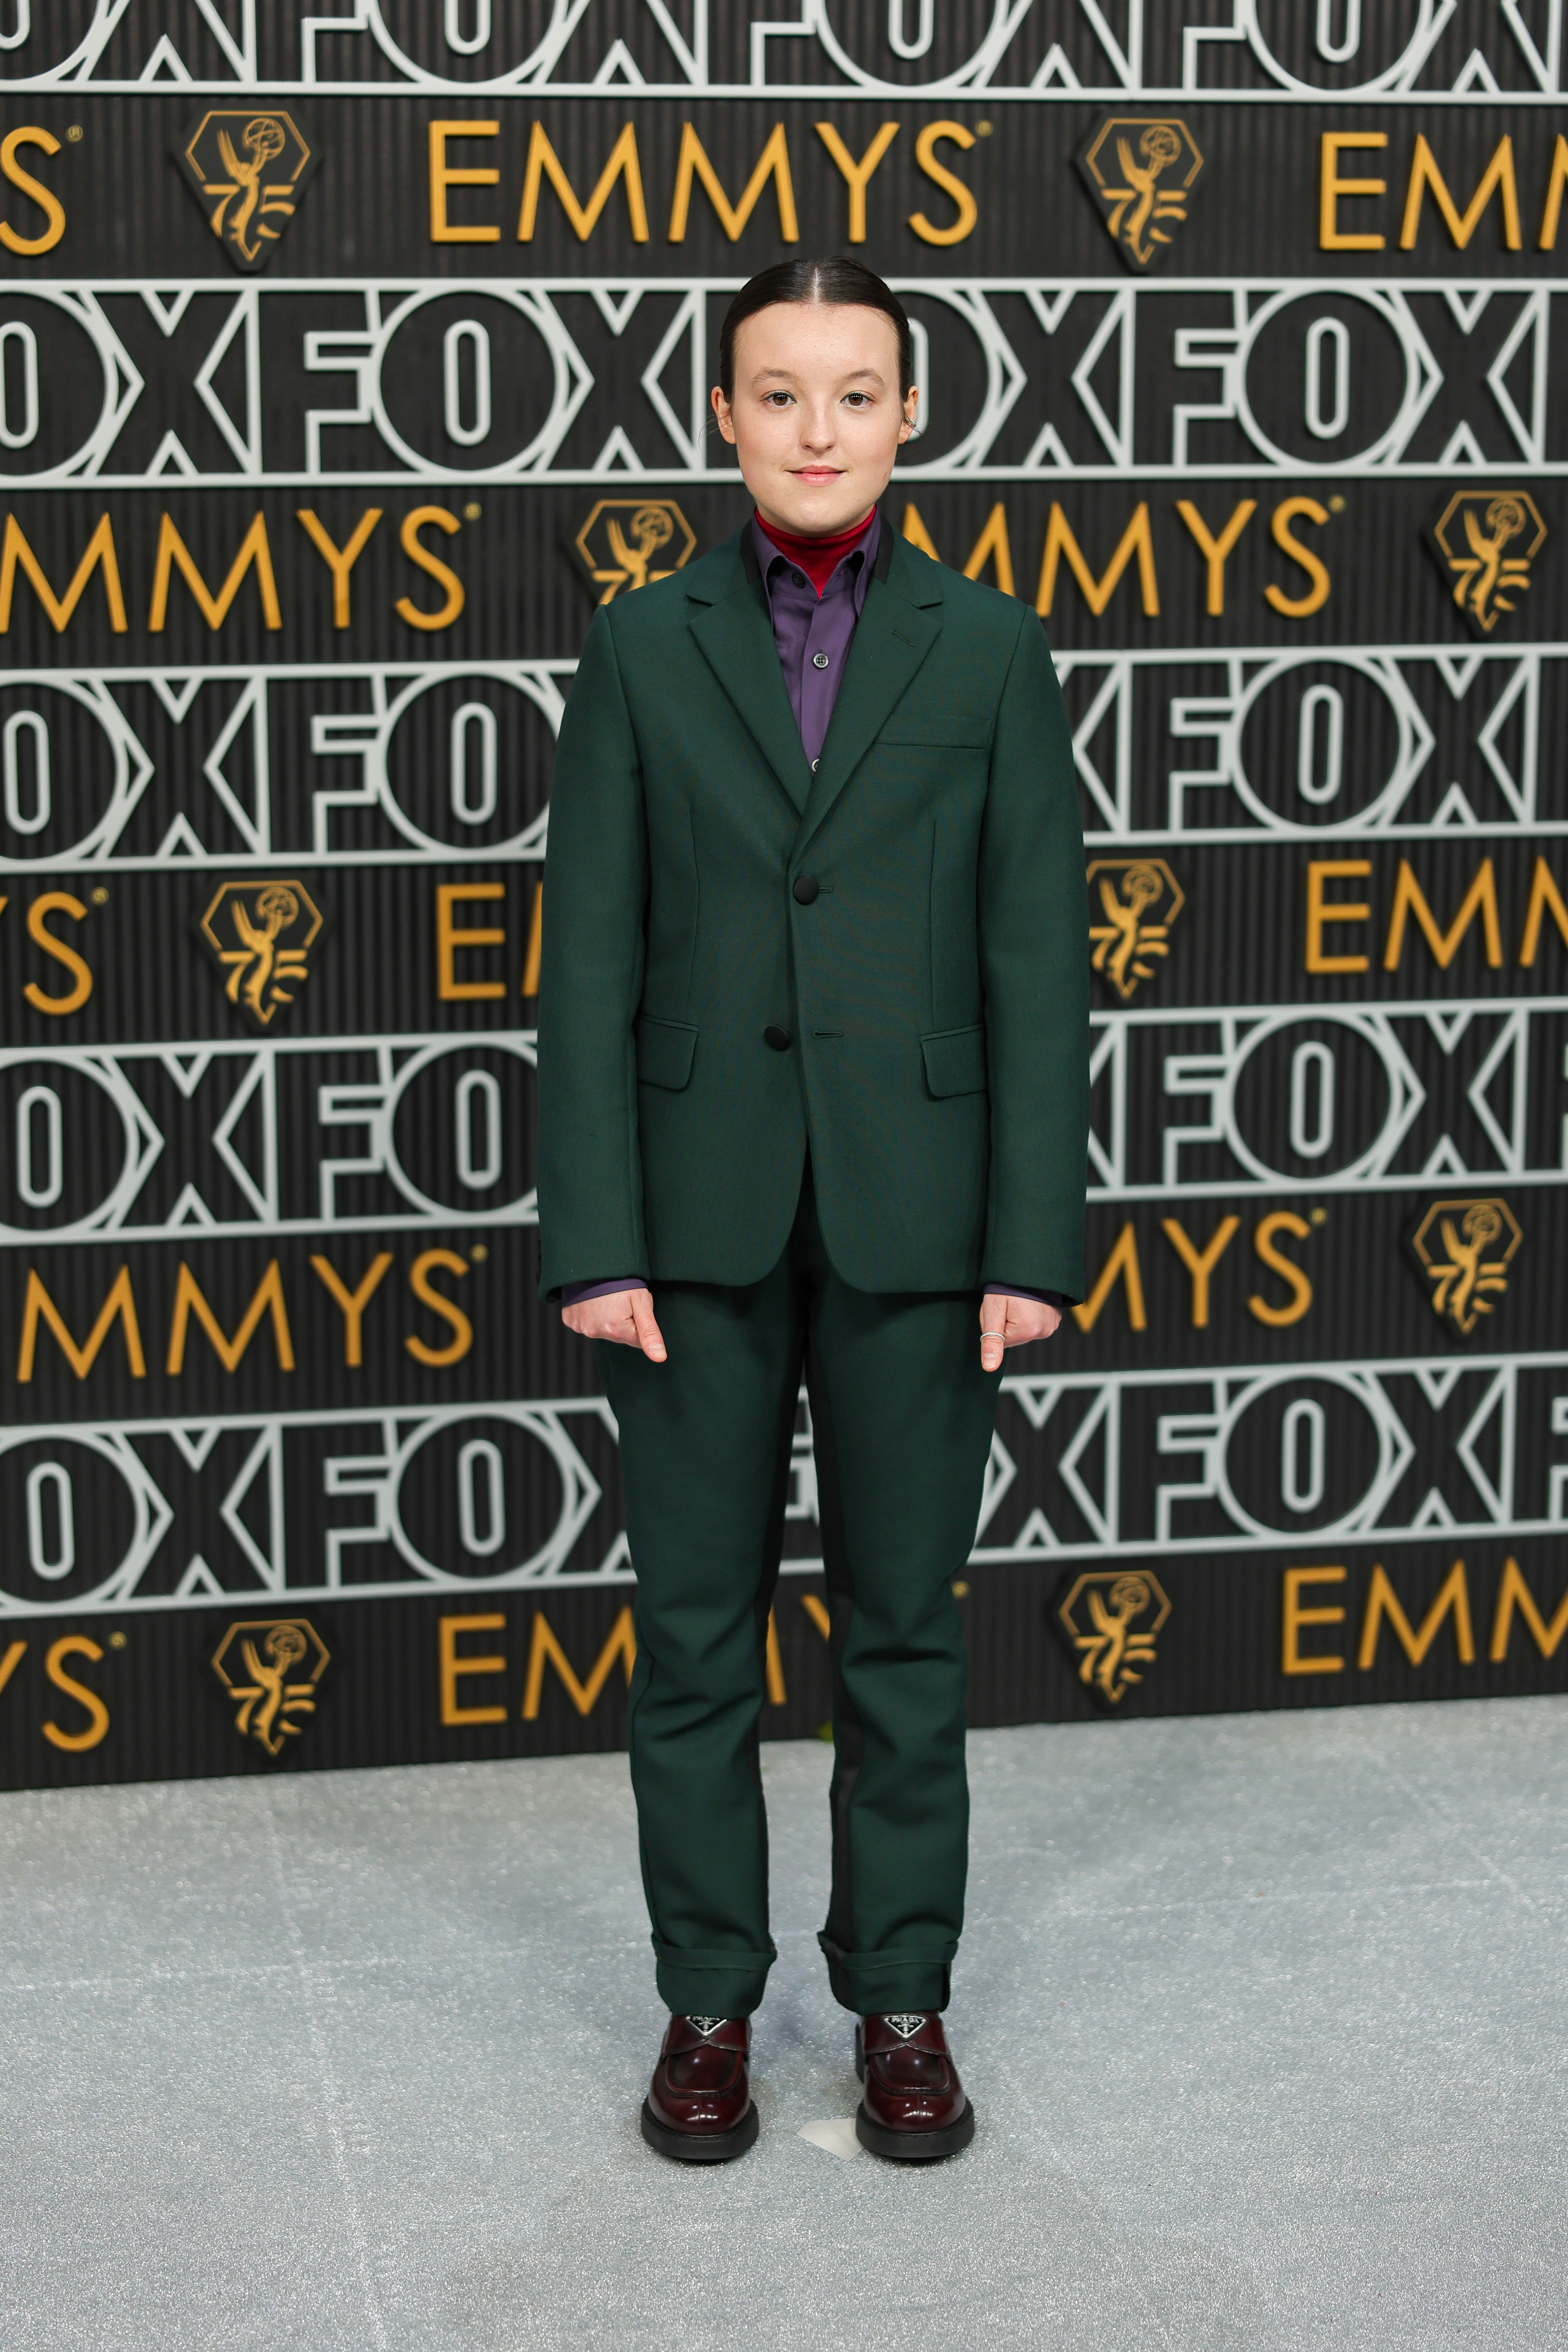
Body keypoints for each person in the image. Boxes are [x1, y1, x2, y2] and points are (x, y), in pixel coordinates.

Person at [536, 258, 1088, 2163]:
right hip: (684, 1237)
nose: (818, 430)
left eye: (855, 394)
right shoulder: (637, 644)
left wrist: (1029, 1241)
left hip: (920, 1226)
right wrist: (593, 1238)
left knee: (902, 1639)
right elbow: (586, 964)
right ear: (722, 415)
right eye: (780, 394)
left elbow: (1036, 963)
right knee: (692, 1634)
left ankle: (902, 2002)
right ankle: (707, 2002)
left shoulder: (994, 649)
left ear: (910, 416)